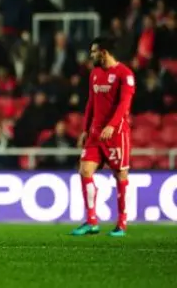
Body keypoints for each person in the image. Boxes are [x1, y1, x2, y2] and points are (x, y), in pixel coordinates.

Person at [72, 37, 136, 237]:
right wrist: (85, 128)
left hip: (116, 135)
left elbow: (124, 104)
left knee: (120, 176)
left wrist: (111, 125)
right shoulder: (95, 74)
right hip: (95, 134)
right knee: (84, 170)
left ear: (104, 52)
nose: (91, 55)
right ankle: (92, 221)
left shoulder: (125, 75)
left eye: (94, 52)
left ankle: (122, 223)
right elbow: (91, 103)